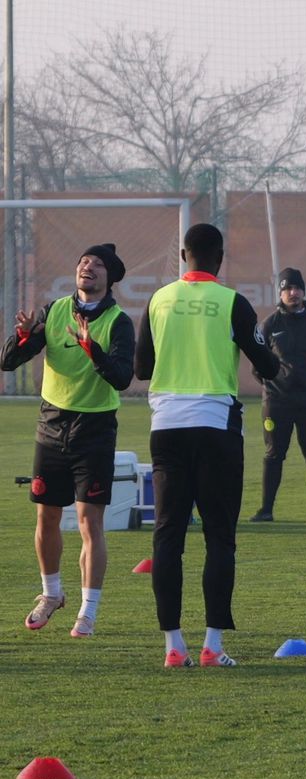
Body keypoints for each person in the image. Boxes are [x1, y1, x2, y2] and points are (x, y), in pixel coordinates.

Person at [134, 223, 280, 668]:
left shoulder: (158, 300)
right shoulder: (231, 302)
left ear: (184, 255)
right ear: (220, 258)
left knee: (167, 535)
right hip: (216, 426)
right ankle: (213, 646)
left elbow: (142, 368)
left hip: (167, 427)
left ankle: (173, 647)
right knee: (219, 536)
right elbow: (268, 367)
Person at [2, 244, 134, 638]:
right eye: (82, 262)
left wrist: (92, 349)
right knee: (47, 516)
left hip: (94, 432)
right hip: (51, 427)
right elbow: (8, 362)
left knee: (90, 522)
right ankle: (51, 595)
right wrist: (21, 338)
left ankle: (88, 611)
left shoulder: (118, 322)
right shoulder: (54, 311)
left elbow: (123, 378)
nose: (87, 267)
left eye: (96, 265)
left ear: (110, 278)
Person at [249, 268, 306, 523]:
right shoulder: (270, 324)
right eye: (288, 288)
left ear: (303, 291)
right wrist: (274, 385)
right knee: (274, 454)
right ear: (280, 292)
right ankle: (266, 510)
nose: (293, 293)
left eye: (297, 288)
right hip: (277, 403)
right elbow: (258, 363)